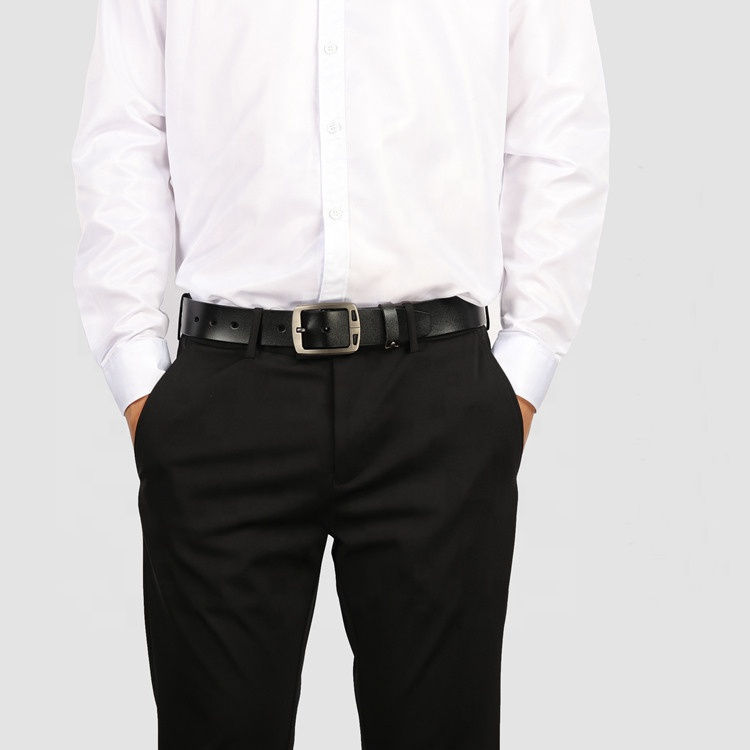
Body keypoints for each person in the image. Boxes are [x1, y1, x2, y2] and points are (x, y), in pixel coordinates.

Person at [72, 1, 609, 748]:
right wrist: (135, 371)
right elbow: (125, 132)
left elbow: (557, 121)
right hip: (225, 398)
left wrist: (525, 365)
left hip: (438, 396)